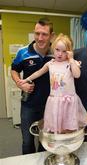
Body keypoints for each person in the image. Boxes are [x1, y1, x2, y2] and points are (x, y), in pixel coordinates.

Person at [18, 33, 87, 133]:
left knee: (68, 128)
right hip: (55, 101)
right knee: (56, 128)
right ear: (53, 49)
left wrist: (71, 59)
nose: (60, 54)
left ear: (69, 52)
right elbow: (38, 73)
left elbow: (77, 75)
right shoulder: (50, 64)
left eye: (64, 51)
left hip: (69, 102)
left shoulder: (71, 63)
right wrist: (26, 80)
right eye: (57, 50)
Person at [11, 18, 54, 154]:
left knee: (46, 139)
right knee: (28, 140)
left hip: (49, 106)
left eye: (44, 34)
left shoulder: (57, 52)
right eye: (37, 33)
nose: (40, 38)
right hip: (28, 104)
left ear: (51, 36)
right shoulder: (23, 52)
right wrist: (19, 84)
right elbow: (14, 70)